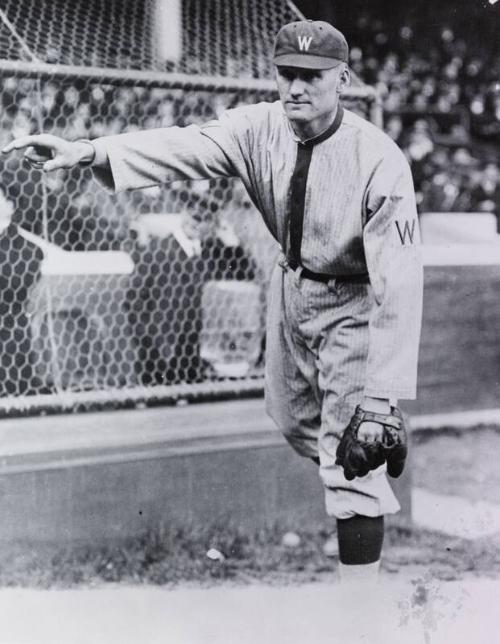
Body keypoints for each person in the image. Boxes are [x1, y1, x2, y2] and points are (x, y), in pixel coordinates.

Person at [2, 20, 423, 587]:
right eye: (287, 75)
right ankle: (376, 431)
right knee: (294, 419)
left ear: (342, 79)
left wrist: (380, 394)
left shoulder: (380, 160)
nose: (297, 89)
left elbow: (398, 281)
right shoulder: (260, 127)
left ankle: (359, 609)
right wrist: (87, 151)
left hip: (353, 297)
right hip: (292, 285)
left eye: (313, 77)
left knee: (350, 456)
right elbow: (185, 145)